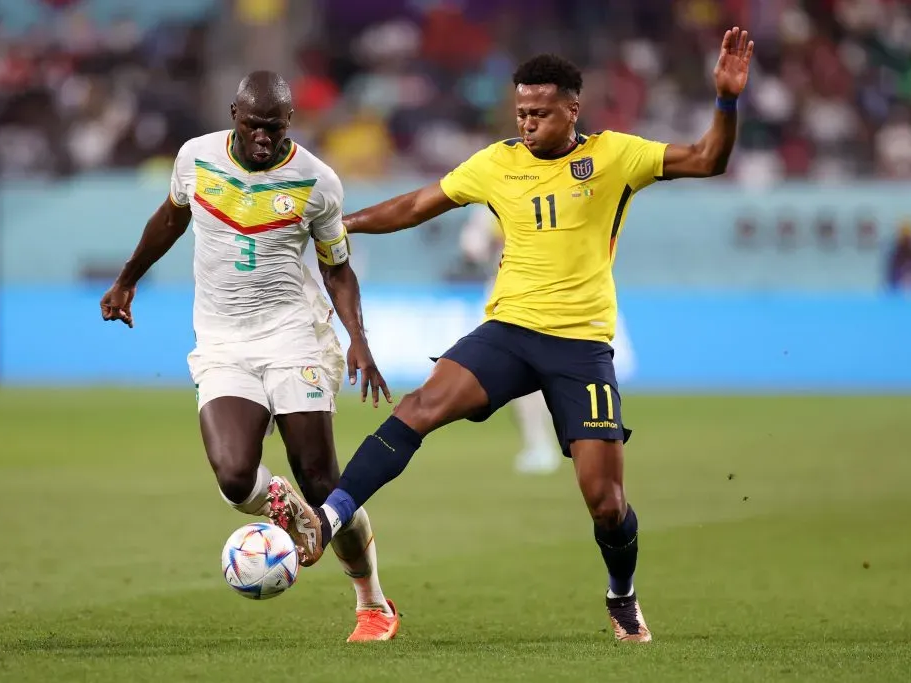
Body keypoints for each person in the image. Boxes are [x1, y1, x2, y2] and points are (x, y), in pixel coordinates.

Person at [267, 27, 755, 643]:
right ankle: (329, 517)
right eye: (521, 112)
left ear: (572, 109)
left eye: (541, 114)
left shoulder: (616, 157)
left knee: (605, 502)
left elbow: (709, 159)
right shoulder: (497, 163)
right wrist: (339, 226)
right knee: (419, 407)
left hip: (581, 347)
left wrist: (727, 102)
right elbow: (419, 204)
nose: (527, 124)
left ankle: (622, 595)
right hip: (509, 331)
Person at [99, 71, 400, 643]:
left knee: (322, 481)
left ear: (290, 122)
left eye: (276, 127)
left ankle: (373, 604)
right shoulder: (196, 158)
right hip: (222, 342)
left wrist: (358, 337)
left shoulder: (317, 181)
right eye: (254, 125)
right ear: (234, 112)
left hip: (293, 336)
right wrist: (127, 279)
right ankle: (287, 509)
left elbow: (336, 267)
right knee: (236, 478)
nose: (264, 138)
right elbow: (172, 216)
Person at [458, 204, 561, 474]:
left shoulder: (493, 198)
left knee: (522, 375)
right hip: (553, 289)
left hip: (511, 293)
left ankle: (540, 445)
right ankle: (548, 443)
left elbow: (472, 247)